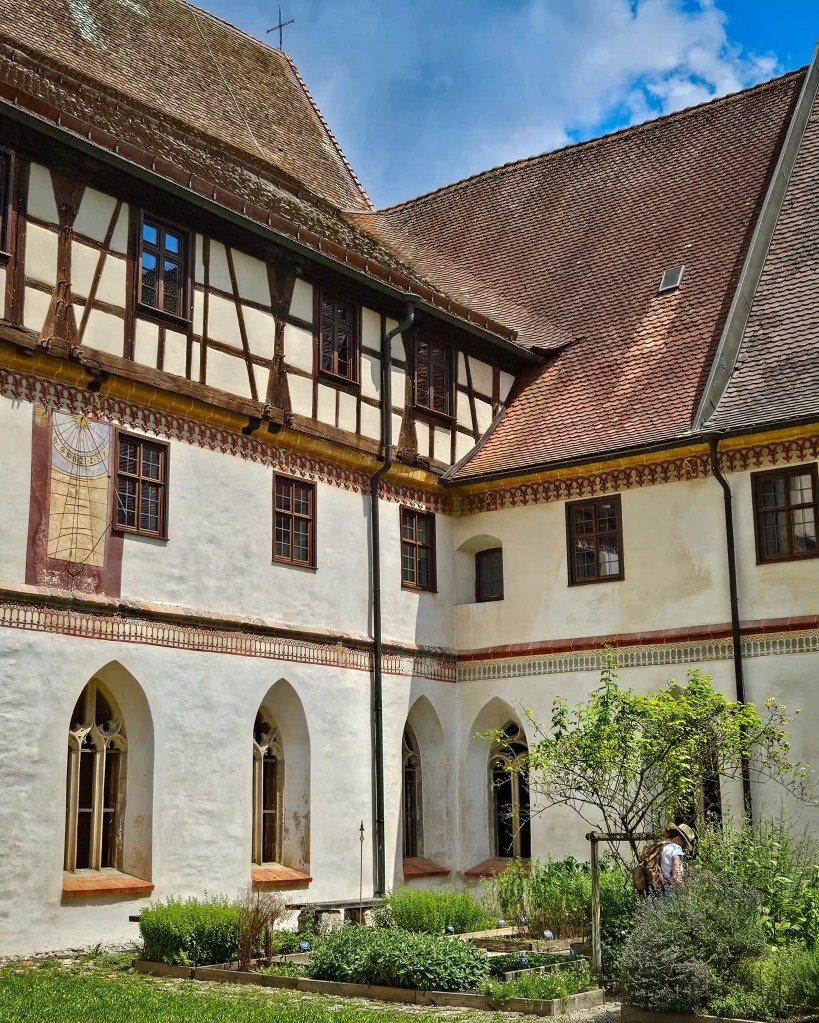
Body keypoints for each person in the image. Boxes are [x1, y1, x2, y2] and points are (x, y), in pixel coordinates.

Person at [659, 822, 695, 889]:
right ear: (678, 839)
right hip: (668, 891)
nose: (683, 847)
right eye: (684, 845)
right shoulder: (676, 848)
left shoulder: (662, 847)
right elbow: (676, 875)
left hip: (656, 889)